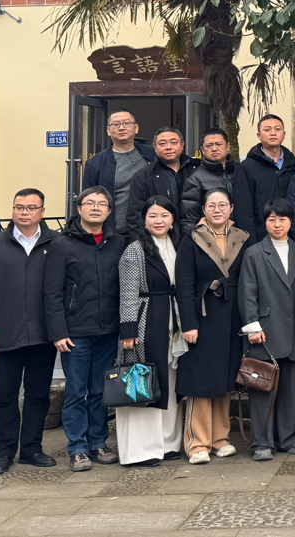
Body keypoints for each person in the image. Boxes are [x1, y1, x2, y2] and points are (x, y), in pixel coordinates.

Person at [0, 188, 58, 474]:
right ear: (12, 209)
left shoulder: (56, 244)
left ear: (42, 212)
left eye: (31, 208)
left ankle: (32, 449)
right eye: (19, 207)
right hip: (5, 333)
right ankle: (4, 452)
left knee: (38, 395)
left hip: (43, 335)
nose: (24, 212)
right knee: (4, 395)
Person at [44, 185, 128, 472]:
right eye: (89, 203)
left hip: (109, 331)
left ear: (110, 210)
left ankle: (98, 442)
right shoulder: (62, 244)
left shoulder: (118, 243)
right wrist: (58, 331)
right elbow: (52, 292)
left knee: (101, 391)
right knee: (76, 392)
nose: (95, 208)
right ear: (78, 208)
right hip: (75, 333)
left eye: (101, 204)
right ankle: (77, 447)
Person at [175, 188, 251, 464]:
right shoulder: (191, 239)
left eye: (222, 205)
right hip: (202, 314)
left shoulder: (242, 238)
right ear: (204, 210)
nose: (217, 210)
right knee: (200, 380)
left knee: (225, 378)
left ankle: (221, 439)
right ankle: (198, 443)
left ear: (231, 208)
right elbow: (183, 285)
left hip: (232, 317)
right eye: (211, 205)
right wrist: (189, 324)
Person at [114, 196, 184, 467]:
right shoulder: (135, 250)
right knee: (141, 381)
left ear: (173, 219)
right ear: (143, 220)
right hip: (145, 321)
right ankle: (140, 450)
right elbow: (128, 293)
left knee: (169, 380)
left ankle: (168, 443)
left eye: (164, 215)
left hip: (171, 320)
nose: (158, 221)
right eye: (152, 215)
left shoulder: (177, 245)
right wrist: (128, 330)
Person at [239, 198, 295, 461]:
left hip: (294, 329)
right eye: (272, 219)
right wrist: (252, 326)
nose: (277, 224)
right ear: (265, 222)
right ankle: (261, 443)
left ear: (291, 222)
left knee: (289, 389)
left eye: (282, 219)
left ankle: (287, 438)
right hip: (265, 330)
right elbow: (247, 293)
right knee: (262, 387)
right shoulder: (254, 253)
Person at [81, 109, 157, 235]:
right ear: (108, 130)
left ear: (136, 128)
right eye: (116, 124)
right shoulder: (95, 163)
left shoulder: (152, 155)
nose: (121, 128)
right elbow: (88, 200)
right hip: (113, 233)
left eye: (127, 123)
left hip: (149, 231)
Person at [233, 115, 295, 241]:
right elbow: (243, 211)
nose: (273, 133)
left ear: (284, 134)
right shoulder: (247, 168)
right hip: (260, 237)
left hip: (291, 238)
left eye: (277, 129)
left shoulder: (294, 165)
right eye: (267, 130)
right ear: (259, 135)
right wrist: (251, 243)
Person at [128, 127, 199, 233]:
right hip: (158, 236)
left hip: (195, 235)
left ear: (182, 144)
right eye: (162, 144)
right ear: (155, 147)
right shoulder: (143, 176)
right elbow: (135, 216)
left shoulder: (196, 170)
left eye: (174, 143)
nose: (168, 147)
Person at [181, 128, 237, 235]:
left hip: (241, 236)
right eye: (209, 146)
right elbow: (189, 220)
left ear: (228, 147)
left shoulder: (241, 171)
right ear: (202, 150)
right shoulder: (195, 178)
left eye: (219, 144)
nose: (214, 149)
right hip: (211, 237)